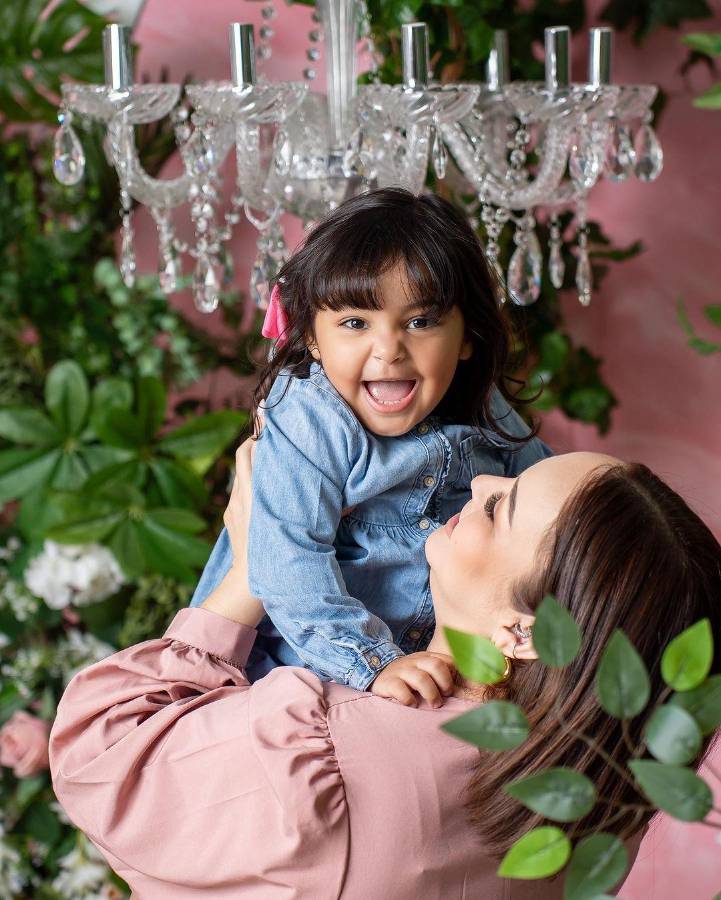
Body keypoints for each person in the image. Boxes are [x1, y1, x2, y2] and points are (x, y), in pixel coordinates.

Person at [49, 441, 721, 899]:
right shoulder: (602, 801)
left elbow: (96, 760)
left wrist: (254, 575)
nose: (482, 480)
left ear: (522, 631)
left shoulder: (334, 751)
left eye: (499, 507)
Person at [190, 187, 552, 705]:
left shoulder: (484, 406)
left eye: (421, 321)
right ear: (312, 338)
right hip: (302, 672)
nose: (389, 351)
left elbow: (552, 500)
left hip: (432, 672)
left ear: (467, 335)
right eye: (355, 323)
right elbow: (289, 562)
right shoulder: (310, 415)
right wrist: (372, 663)